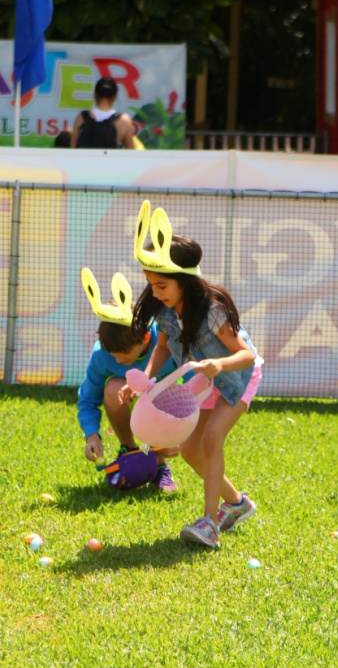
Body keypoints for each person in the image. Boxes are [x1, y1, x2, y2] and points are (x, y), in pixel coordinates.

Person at [119, 202, 261, 548]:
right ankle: (238, 504)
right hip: (203, 379)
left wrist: (220, 365)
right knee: (189, 450)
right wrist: (148, 380)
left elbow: (246, 355)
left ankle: (210, 523)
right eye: (151, 284)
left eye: (162, 284)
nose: (155, 292)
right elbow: (164, 348)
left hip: (237, 376)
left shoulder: (212, 310)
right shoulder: (166, 311)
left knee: (212, 440)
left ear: (185, 280)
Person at [77, 268, 178, 491]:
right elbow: (87, 401)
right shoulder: (103, 354)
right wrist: (92, 436)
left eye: (123, 353)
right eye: (112, 353)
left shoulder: (168, 343)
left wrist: (183, 436)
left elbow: (196, 388)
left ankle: (159, 465)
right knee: (113, 387)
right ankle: (130, 451)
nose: (117, 359)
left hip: (167, 399)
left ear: (144, 338)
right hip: (129, 396)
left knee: (158, 391)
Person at [71, 77, 138, 149]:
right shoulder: (124, 120)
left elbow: (72, 148)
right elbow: (130, 152)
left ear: (95, 94)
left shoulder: (81, 118)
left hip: (85, 160)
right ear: (114, 96)